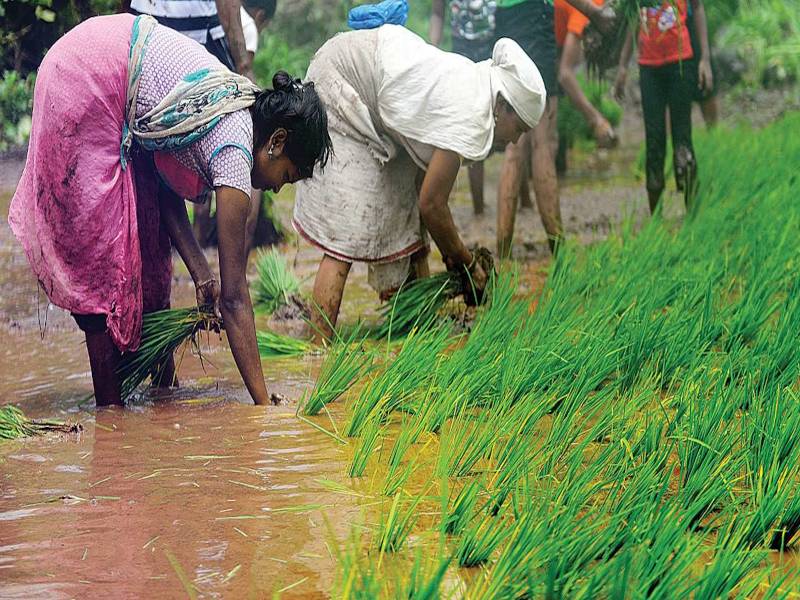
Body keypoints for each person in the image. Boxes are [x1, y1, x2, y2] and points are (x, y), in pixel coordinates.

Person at [8, 14, 332, 406]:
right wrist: (263, 407)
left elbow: (162, 190)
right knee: (103, 267)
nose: (279, 186)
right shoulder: (234, 154)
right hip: (86, 79)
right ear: (276, 141)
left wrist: (200, 273)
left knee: (150, 254)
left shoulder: (238, 102)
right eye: (288, 174)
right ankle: (110, 416)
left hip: (98, 59)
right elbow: (235, 299)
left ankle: (160, 396)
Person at [292, 25, 546, 341]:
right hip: (344, 83)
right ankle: (318, 348)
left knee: (405, 213)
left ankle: (415, 324)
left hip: (375, 89)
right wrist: (466, 263)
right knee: (347, 233)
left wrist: (453, 257)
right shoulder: (469, 115)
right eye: (518, 128)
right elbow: (433, 205)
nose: (514, 141)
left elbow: (424, 200)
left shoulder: (477, 92)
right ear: (502, 105)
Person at [493, 0, 613, 258]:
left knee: (515, 149)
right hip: (534, 19)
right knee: (541, 142)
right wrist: (593, 12)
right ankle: (558, 250)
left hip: (505, 19)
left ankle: (502, 254)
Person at [613, 0, 712, 213]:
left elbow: (698, 7)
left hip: (681, 63)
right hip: (649, 69)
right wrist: (622, 66)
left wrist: (705, 59)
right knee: (654, 141)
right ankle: (655, 220)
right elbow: (633, 18)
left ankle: (693, 216)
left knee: (682, 141)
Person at [430, 0, 497, 215]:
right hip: (462, 49)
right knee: (473, 123)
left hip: (496, 44)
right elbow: (438, 13)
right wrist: (432, 51)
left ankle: (523, 200)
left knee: (509, 124)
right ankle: (479, 208)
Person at [554, 0, 616, 148]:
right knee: (544, 138)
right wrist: (596, 119)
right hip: (534, 36)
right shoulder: (586, 12)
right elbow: (565, 75)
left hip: (547, 42)